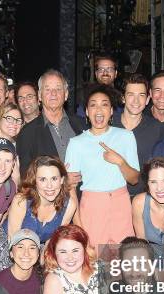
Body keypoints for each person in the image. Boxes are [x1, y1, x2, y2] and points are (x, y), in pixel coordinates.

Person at [65, 85, 139, 247]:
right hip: (92, 207)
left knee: (124, 261)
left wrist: (120, 161)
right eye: (93, 105)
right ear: (86, 111)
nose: (99, 109)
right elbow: (70, 188)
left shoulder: (126, 136)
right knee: (96, 261)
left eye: (104, 104)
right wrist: (78, 224)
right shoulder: (76, 143)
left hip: (121, 204)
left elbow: (134, 179)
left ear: (111, 111)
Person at [0, 155, 77, 272]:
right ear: (35, 181)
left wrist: (43, 262)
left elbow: (53, 241)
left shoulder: (69, 205)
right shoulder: (21, 200)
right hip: (9, 243)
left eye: (54, 179)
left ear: (61, 180)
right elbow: (14, 239)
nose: (49, 186)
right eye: (43, 179)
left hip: (38, 247)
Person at [16, 69, 84, 176]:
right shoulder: (27, 133)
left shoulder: (81, 125)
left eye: (58, 88)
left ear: (66, 94)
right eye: (47, 89)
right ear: (39, 95)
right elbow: (26, 178)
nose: (53, 93)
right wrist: (63, 182)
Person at [114, 73, 164, 197]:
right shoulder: (109, 123)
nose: (136, 101)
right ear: (123, 98)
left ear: (147, 100)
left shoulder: (157, 129)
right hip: (110, 197)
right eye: (131, 95)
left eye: (141, 95)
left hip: (142, 198)